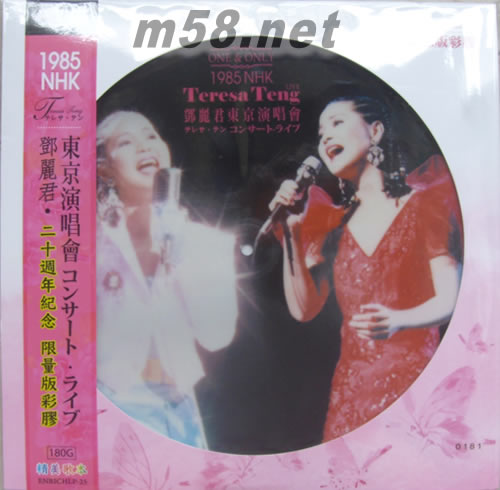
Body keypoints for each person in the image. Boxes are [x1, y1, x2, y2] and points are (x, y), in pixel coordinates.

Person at [269, 96, 462, 441]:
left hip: (412, 385)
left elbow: (450, 298)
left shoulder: (425, 203)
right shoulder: (333, 226)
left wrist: (400, 319)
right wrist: (292, 231)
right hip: (350, 395)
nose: (326, 137)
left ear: (375, 131)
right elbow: (303, 309)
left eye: (337, 123)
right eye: (320, 133)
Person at [96, 110, 237, 448]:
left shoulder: (204, 242)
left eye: (151, 136)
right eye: (126, 142)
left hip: (177, 407)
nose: (144, 146)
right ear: (105, 169)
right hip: (108, 403)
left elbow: (216, 336)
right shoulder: (86, 244)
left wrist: (179, 251)